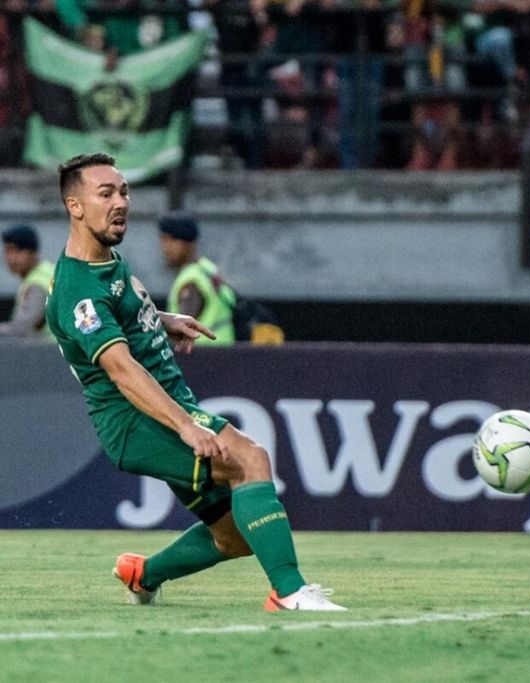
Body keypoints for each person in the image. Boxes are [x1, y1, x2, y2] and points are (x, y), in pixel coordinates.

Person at [45, 152, 344, 611]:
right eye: (105, 193)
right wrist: (186, 426)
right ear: (75, 206)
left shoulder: (105, 261)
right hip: (137, 419)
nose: (120, 202)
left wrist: (161, 320)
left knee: (234, 537)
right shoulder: (76, 288)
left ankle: (143, 575)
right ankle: (289, 592)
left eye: (123, 191)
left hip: (160, 407)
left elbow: (119, 314)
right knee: (249, 458)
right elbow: (121, 368)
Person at [158, 211, 236, 346]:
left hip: (203, 357)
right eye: (163, 240)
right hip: (223, 352)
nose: (166, 248)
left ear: (189, 243)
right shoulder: (207, 268)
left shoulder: (191, 281)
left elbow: (182, 327)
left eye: (172, 240)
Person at [1, 223, 55, 341]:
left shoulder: (38, 282)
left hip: (55, 352)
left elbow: (20, 328)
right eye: (8, 251)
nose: (11, 258)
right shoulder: (48, 270)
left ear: (32, 253)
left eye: (17, 251)